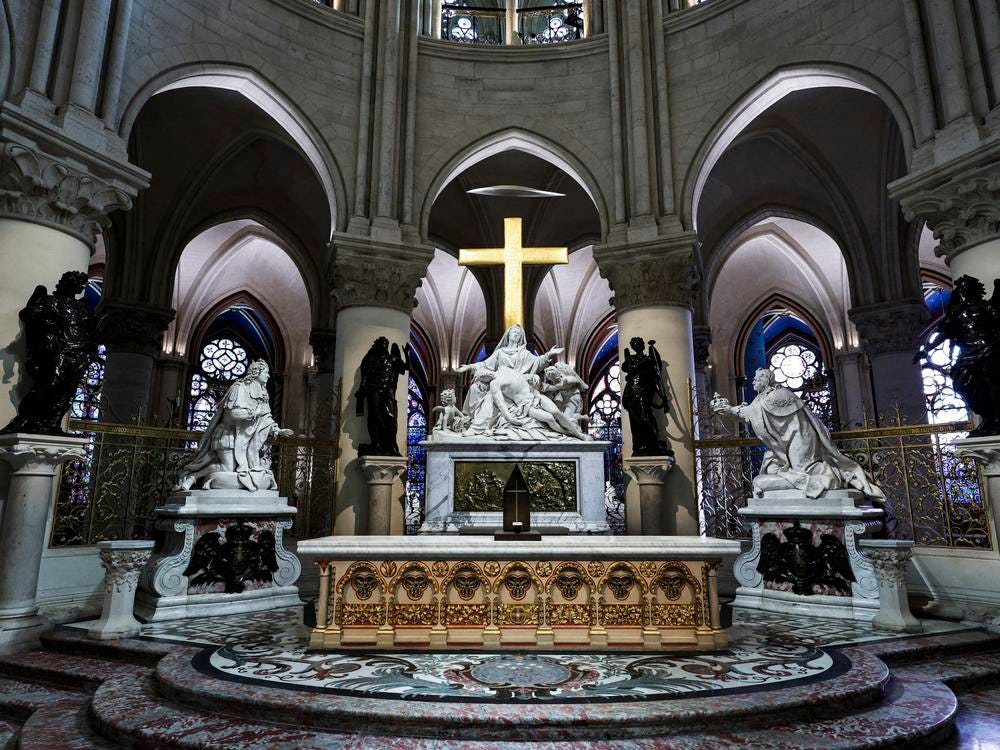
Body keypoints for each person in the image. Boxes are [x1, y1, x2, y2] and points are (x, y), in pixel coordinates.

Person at [711, 368, 884, 501]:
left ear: (766, 380)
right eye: (754, 379)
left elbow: (753, 412)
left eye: (758, 378)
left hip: (800, 438)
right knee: (770, 470)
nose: (754, 381)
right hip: (784, 445)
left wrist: (730, 410)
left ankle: (834, 476)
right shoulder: (761, 398)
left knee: (804, 471)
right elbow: (750, 412)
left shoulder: (779, 393)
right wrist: (728, 411)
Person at [2, 271, 98, 436]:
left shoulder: (83, 308)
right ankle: (26, 419)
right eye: (76, 284)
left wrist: (90, 351)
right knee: (50, 383)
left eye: (79, 286)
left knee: (67, 391)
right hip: (59, 350)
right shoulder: (51, 302)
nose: (78, 288)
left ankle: (53, 424)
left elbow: (91, 330)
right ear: (66, 283)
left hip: (79, 353)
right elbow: (27, 314)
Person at [174, 360, 292, 491]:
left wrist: (277, 430)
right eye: (265, 372)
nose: (268, 376)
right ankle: (193, 477)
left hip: (244, 439)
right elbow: (233, 413)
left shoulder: (263, 393)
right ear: (256, 373)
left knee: (237, 470)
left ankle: (199, 477)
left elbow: (266, 417)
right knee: (228, 468)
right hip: (228, 434)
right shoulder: (239, 388)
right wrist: (255, 412)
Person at [916, 275, 1000, 437]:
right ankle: (988, 416)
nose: (963, 290)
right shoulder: (956, 312)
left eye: (966, 286)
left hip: (988, 349)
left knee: (993, 385)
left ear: (975, 288)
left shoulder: (986, 306)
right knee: (963, 384)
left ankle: (994, 419)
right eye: (961, 287)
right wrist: (926, 350)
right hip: (967, 354)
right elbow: (944, 333)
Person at [356, 337, 408, 455]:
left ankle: (390, 446)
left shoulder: (393, 358)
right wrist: (361, 390)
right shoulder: (372, 359)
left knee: (390, 419)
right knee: (374, 417)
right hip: (374, 391)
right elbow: (365, 376)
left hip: (388, 393)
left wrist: (406, 355)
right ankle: (376, 444)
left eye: (386, 344)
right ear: (378, 345)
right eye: (383, 344)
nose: (385, 346)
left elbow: (405, 368)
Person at [621, 337, 671, 455]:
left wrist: (663, 398)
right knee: (636, 421)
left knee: (646, 418)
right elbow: (629, 369)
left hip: (644, 393)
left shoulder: (650, 360)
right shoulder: (631, 359)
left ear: (643, 345)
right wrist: (646, 361)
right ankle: (639, 447)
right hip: (632, 392)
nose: (637, 346)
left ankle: (651, 445)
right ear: (633, 347)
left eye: (639, 344)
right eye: (635, 344)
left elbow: (657, 379)